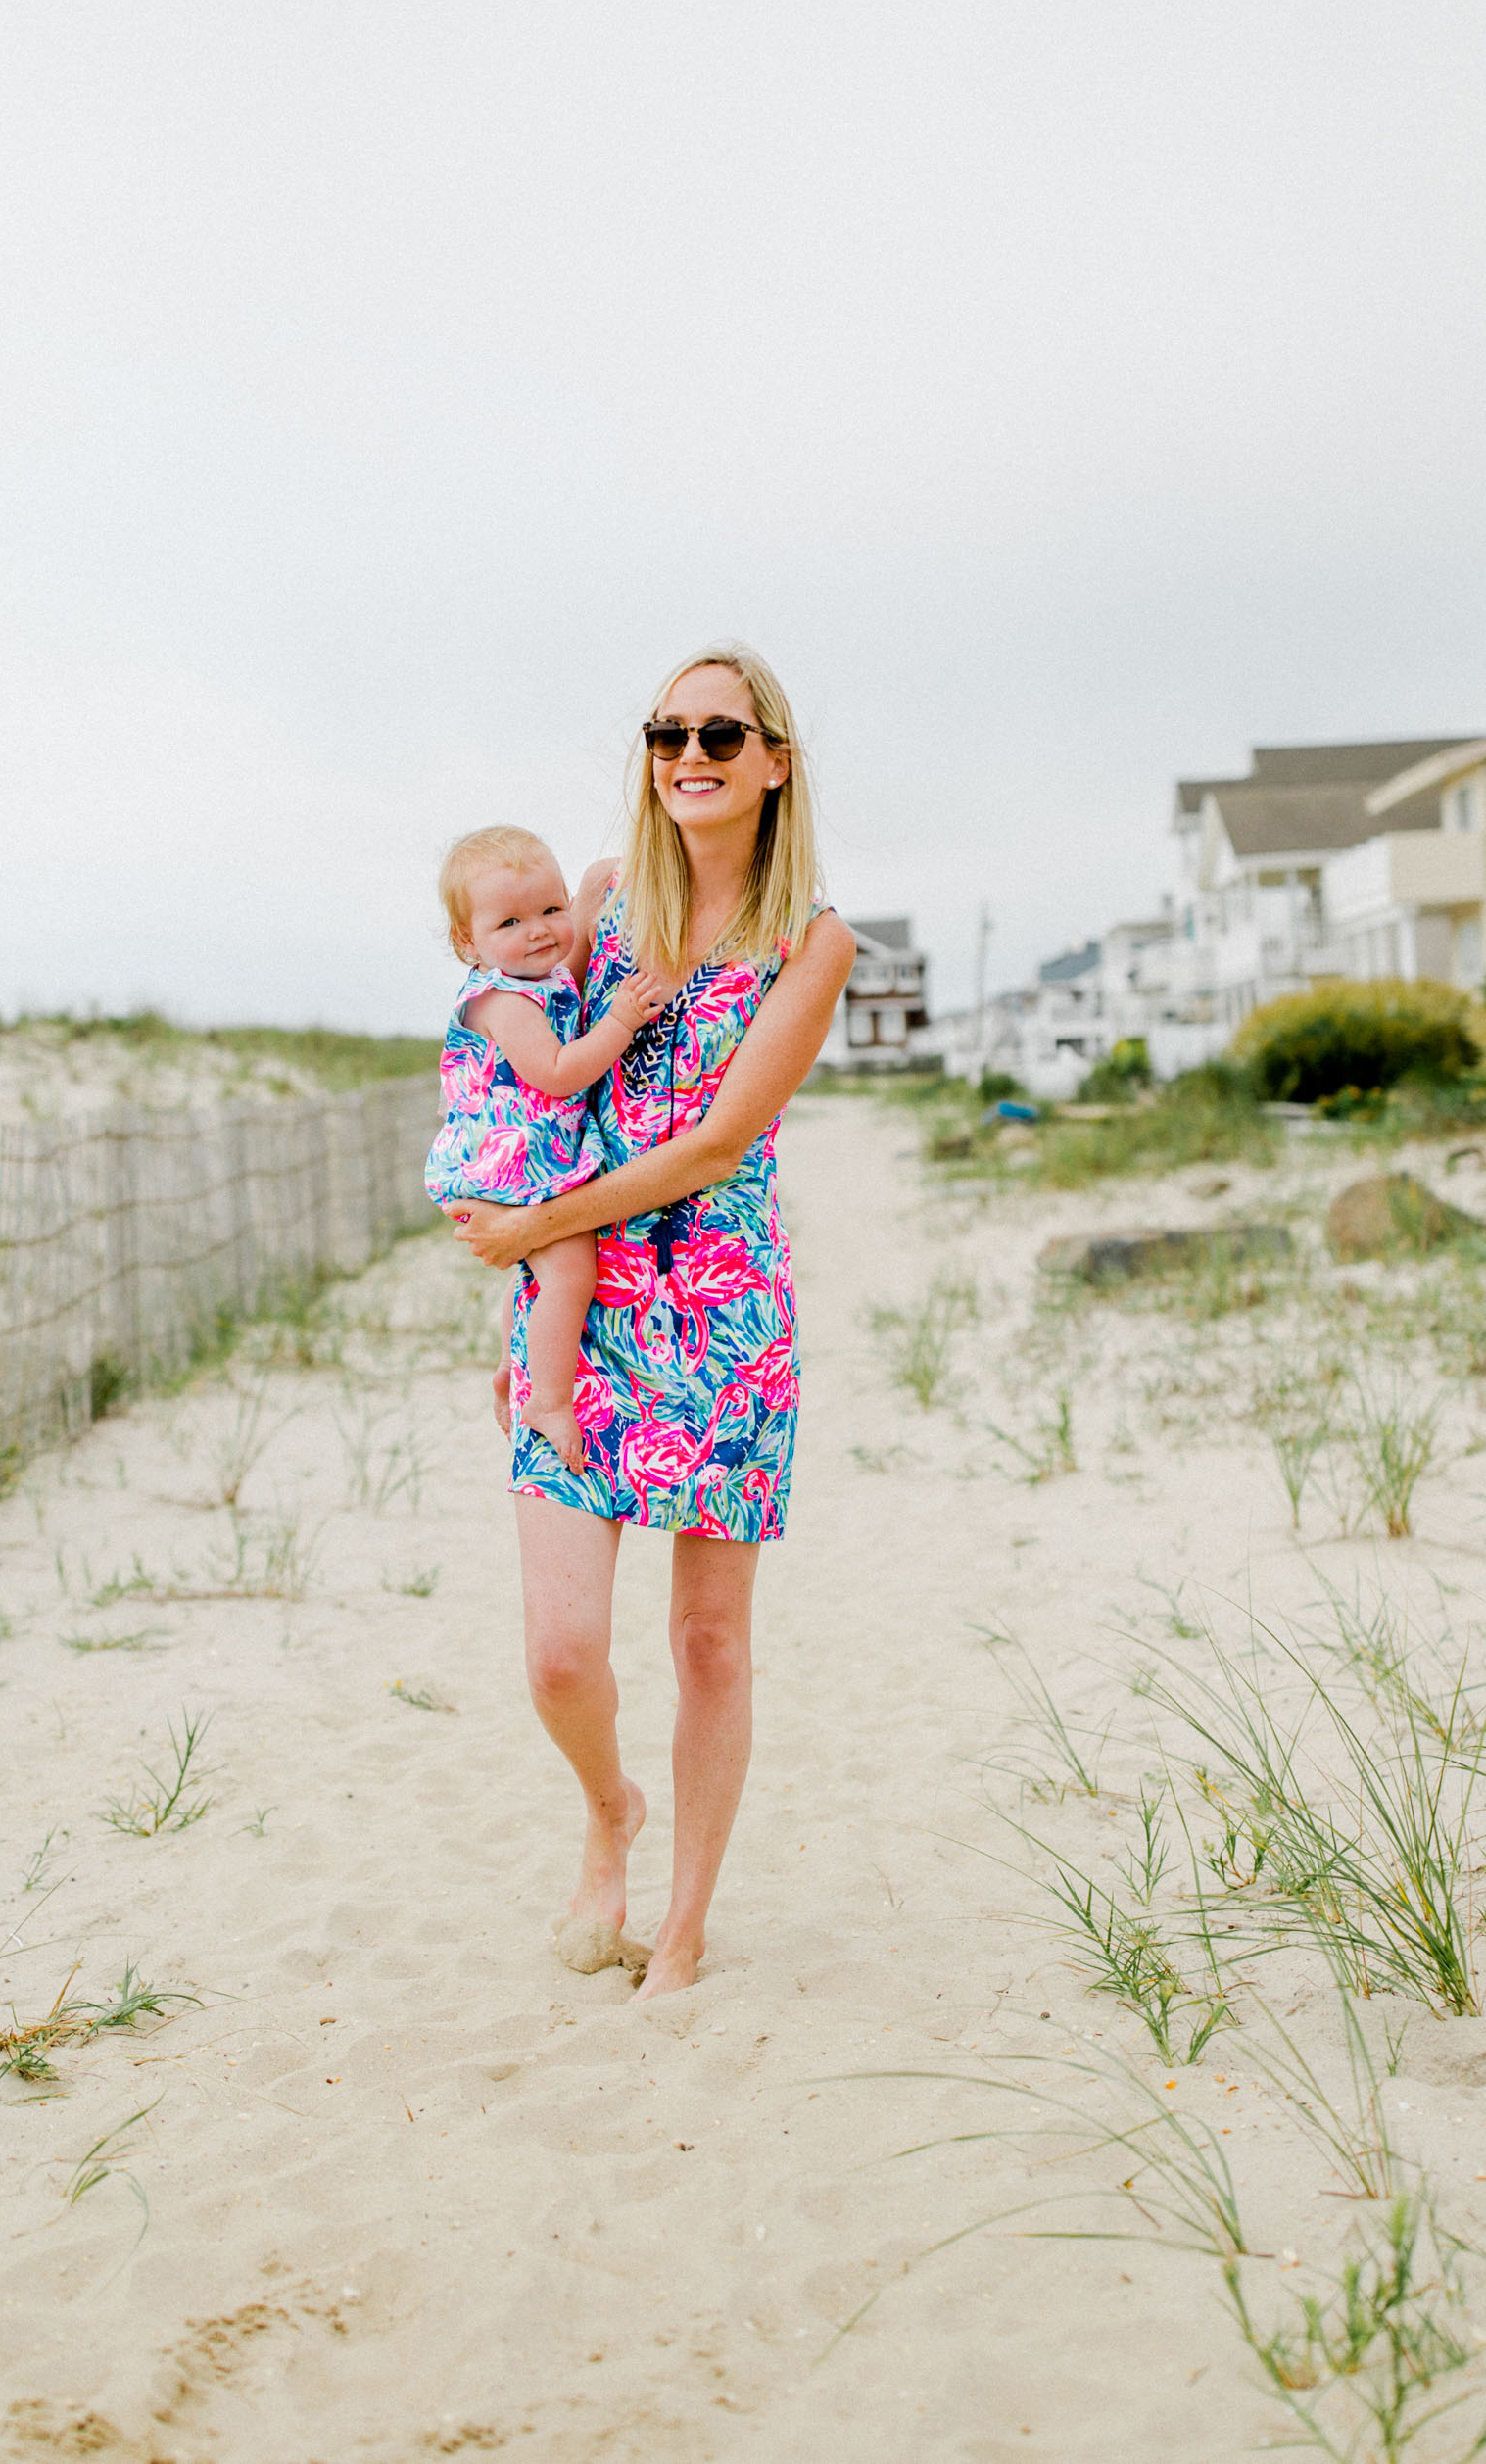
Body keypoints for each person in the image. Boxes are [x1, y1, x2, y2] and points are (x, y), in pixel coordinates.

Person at [452, 647, 855, 2001]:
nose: (690, 752)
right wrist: (519, 1285)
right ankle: (607, 1805)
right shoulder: (604, 904)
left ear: (774, 761)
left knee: (707, 1641)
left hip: (726, 1318)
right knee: (561, 1654)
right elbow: (533, 1092)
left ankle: (680, 1924)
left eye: (721, 734)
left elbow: (715, 1145)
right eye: (667, 730)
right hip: (581, 1307)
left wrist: (531, 1233)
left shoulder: (815, 943)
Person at [425, 825, 669, 1472]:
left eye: (552, 910)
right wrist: (621, 1020)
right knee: (570, 1273)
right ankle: (550, 1401)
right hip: (508, 1166)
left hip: (522, 1159)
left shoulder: (542, 979)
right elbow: (557, 1071)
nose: (538, 930)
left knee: (539, 1272)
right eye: (510, 920)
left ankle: (514, 1365)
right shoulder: (503, 1000)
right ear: (467, 943)